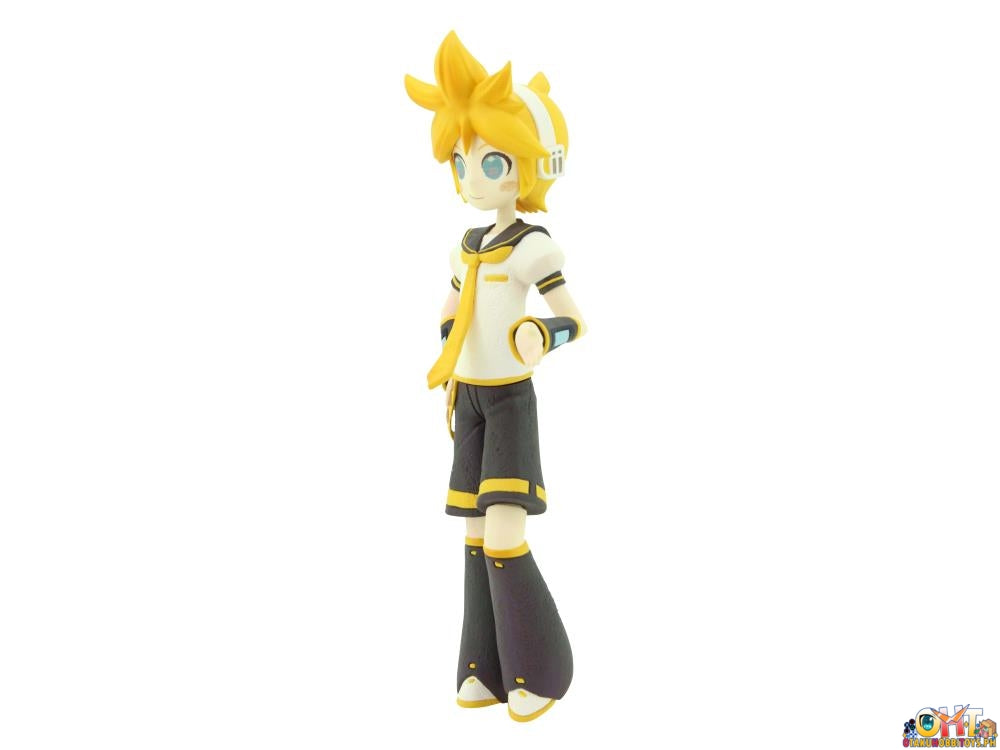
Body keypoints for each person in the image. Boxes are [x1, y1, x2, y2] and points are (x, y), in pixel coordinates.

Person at [405, 31, 587, 723]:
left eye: (488, 160)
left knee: (505, 531)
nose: (471, 176)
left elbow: (573, 317)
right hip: (471, 400)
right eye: (461, 161)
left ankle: (540, 669)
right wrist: (451, 351)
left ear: (527, 165)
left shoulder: (530, 246)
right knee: (475, 533)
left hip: (510, 400)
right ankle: (483, 667)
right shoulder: (468, 246)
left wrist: (543, 333)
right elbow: (452, 309)